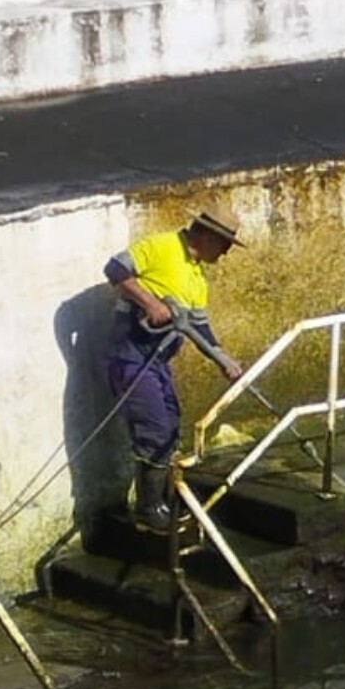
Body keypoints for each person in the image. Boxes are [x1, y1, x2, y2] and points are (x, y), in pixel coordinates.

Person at [104, 202, 247, 531]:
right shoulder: (161, 246)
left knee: (170, 424)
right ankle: (149, 509)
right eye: (224, 245)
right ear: (208, 236)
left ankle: (158, 501)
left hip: (158, 362)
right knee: (155, 429)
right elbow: (114, 269)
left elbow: (200, 328)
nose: (225, 253)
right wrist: (150, 303)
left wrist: (223, 359)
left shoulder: (198, 278)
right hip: (131, 356)